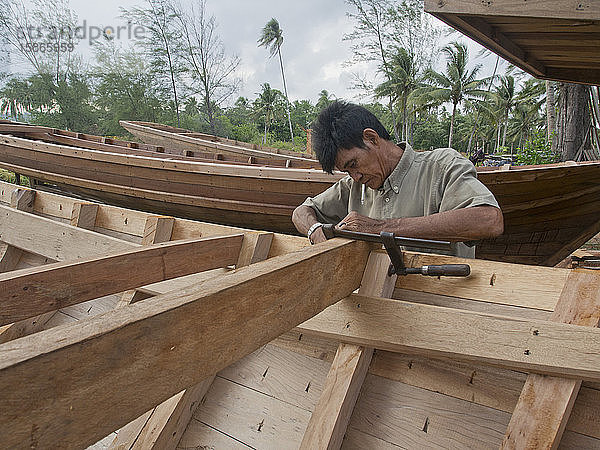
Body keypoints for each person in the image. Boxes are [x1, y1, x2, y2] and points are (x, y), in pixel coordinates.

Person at [292, 101, 503, 258]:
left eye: (353, 164)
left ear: (372, 139)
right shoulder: (353, 186)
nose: (355, 177)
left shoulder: (441, 166)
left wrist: (378, 228)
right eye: (346, 172)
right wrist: (315, 232)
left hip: (440, 303)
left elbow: (488, 220)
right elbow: (301, 212)